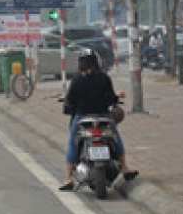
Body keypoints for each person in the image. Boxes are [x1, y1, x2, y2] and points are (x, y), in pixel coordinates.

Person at [58, 51, 137, 191]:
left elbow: (69, 103)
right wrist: (115, 97)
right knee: (116, 138)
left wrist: (68, 106)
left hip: (82, 118)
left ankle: (68, 178)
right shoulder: (104, 78)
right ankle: (125, 168)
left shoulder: (76, 80)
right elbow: (111, 99)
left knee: (72, 143)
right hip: (104, 117)